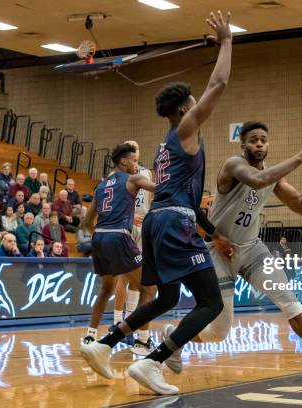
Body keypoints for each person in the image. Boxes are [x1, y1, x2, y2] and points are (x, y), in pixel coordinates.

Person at [86, 12, 235, 394]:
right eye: (193, 101)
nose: (198, 104)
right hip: (173, 222)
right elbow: (218, 82)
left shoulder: (166, 142)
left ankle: (104, 345)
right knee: (210, 303)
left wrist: (209, 230)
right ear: (186, 109)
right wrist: (227, 41)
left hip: (155, 222)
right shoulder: (186, 128)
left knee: (166, 296)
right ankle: (151, 362)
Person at [181, 120, 302, 384]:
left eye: (263, 139)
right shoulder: (234, 165)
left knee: (289, 299)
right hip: (220, 250)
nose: (259, 144)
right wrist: (301, 156)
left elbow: (301, 206)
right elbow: (258, 178)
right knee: (219, 332)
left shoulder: (273, 176)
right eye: (254, 140)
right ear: (243, 145)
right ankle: (175, 340)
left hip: (252, 248)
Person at [80, 143, 157, 360]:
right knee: (149, 288)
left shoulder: (101, 186)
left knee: (106, 289)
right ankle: (142, 339)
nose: (137, 165)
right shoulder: (133, 179)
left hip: (99, 238)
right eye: (134, 161)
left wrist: (101, 234)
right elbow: (160, 189)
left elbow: (86, 222)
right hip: (119, 236)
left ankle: (89, 337)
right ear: (124, 161)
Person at [112, 140, 154, 348]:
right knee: (123, 278)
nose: (134, 151)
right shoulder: (119, 177)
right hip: (126, 226)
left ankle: (130, 323)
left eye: (136, 148)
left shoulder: (146, 173)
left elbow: (152, 199)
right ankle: (117, 322)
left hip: (144, 226)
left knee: (140, 279)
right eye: (130, 148)